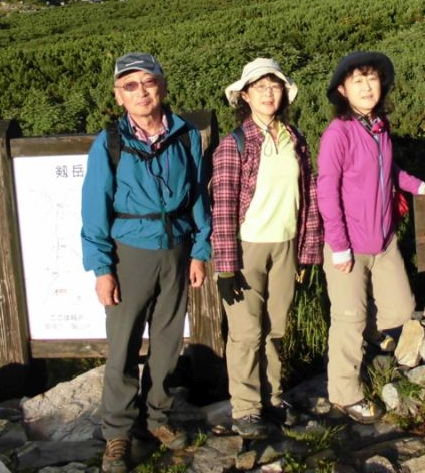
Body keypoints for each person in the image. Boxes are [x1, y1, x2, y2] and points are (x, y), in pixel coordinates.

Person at [80, 53, 211, 473]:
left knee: (169, 341)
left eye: (148, 82)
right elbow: (94, 206)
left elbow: (197, 197)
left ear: (163, 86)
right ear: (119, 96)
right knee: (123, 344)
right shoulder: (111, 141)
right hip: (129, 252)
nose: (141, 91)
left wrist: (200, 249)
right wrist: (102, 268)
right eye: (130, 85)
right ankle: (117, 433)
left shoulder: (186, 135)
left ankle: (157, 417)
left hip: (177, 247)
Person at [317, 51, 425, 423]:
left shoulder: (378, 126)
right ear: (342, 90)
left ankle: (367, 337)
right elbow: (327, 192)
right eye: (357, 81)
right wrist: (339, 246)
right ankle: (344, 392)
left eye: (372, 79)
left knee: (401, 309)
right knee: (348, 319)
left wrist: (419, 186)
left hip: (383, 239)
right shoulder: (338, 133)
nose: (367, 86)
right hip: (349, 245)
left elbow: (391, 171)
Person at [210, 58, 324, 439]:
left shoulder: (296, 139)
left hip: (286, 244)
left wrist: (308, 252)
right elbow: (223, 208)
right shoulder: (234, 144)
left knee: (275, 327)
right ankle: (244, 408)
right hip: (247, 248)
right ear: (244, 95)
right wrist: (225, 266)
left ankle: (272, 397)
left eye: (273, 85)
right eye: (259, 86)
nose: (268, 92)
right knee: (245, 331)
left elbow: (309, 197)